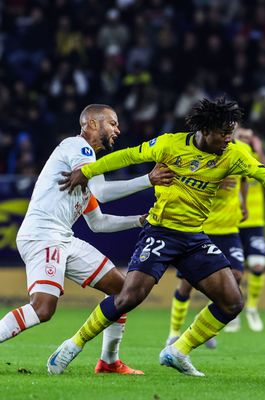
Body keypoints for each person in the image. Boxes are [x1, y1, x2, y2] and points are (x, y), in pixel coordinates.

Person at [48, 97, 265, 377]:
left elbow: (262, 173)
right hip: (161, 231)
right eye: (223, 133)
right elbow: (127, 156)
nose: (228, 139)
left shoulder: (233, 154)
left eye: (231, 133)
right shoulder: (169, 144)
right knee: (128, 297)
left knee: (233, 302)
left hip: (194, 238)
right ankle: (72, 345)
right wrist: (87, 171)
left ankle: (178, 350)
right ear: (205, 130)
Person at [0, 104, 174, 375]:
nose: (118, 129)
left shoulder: (87, 170)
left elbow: (98, 222)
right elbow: (103, 191)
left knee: (122, 292)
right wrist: (148, 180)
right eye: (113, 123)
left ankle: (108, 362)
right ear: (92, 123)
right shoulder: (78, 147)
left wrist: (140, 220)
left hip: (63, 239)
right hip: (43, 235)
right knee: (43, 309)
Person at [166, 139, 250, 348]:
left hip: (229, 229)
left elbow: (246, 179)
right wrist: (215, 181)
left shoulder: (240, 151)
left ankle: (204, 326)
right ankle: (174, 332)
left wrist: (243, 203)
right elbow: (183, 178)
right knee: (186, 285)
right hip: (203, 228)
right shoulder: (200, 152)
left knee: (236, 276)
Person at [235, 126, 265, 332]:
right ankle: (232, 312)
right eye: (241, 136)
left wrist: (261, 152)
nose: (245, 140)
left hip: (255, 223)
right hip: (232, 222)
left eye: (249, 137)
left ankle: (252, 308)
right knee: (234, 272)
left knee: (258, 265)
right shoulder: (232, 158)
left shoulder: (256, 162)